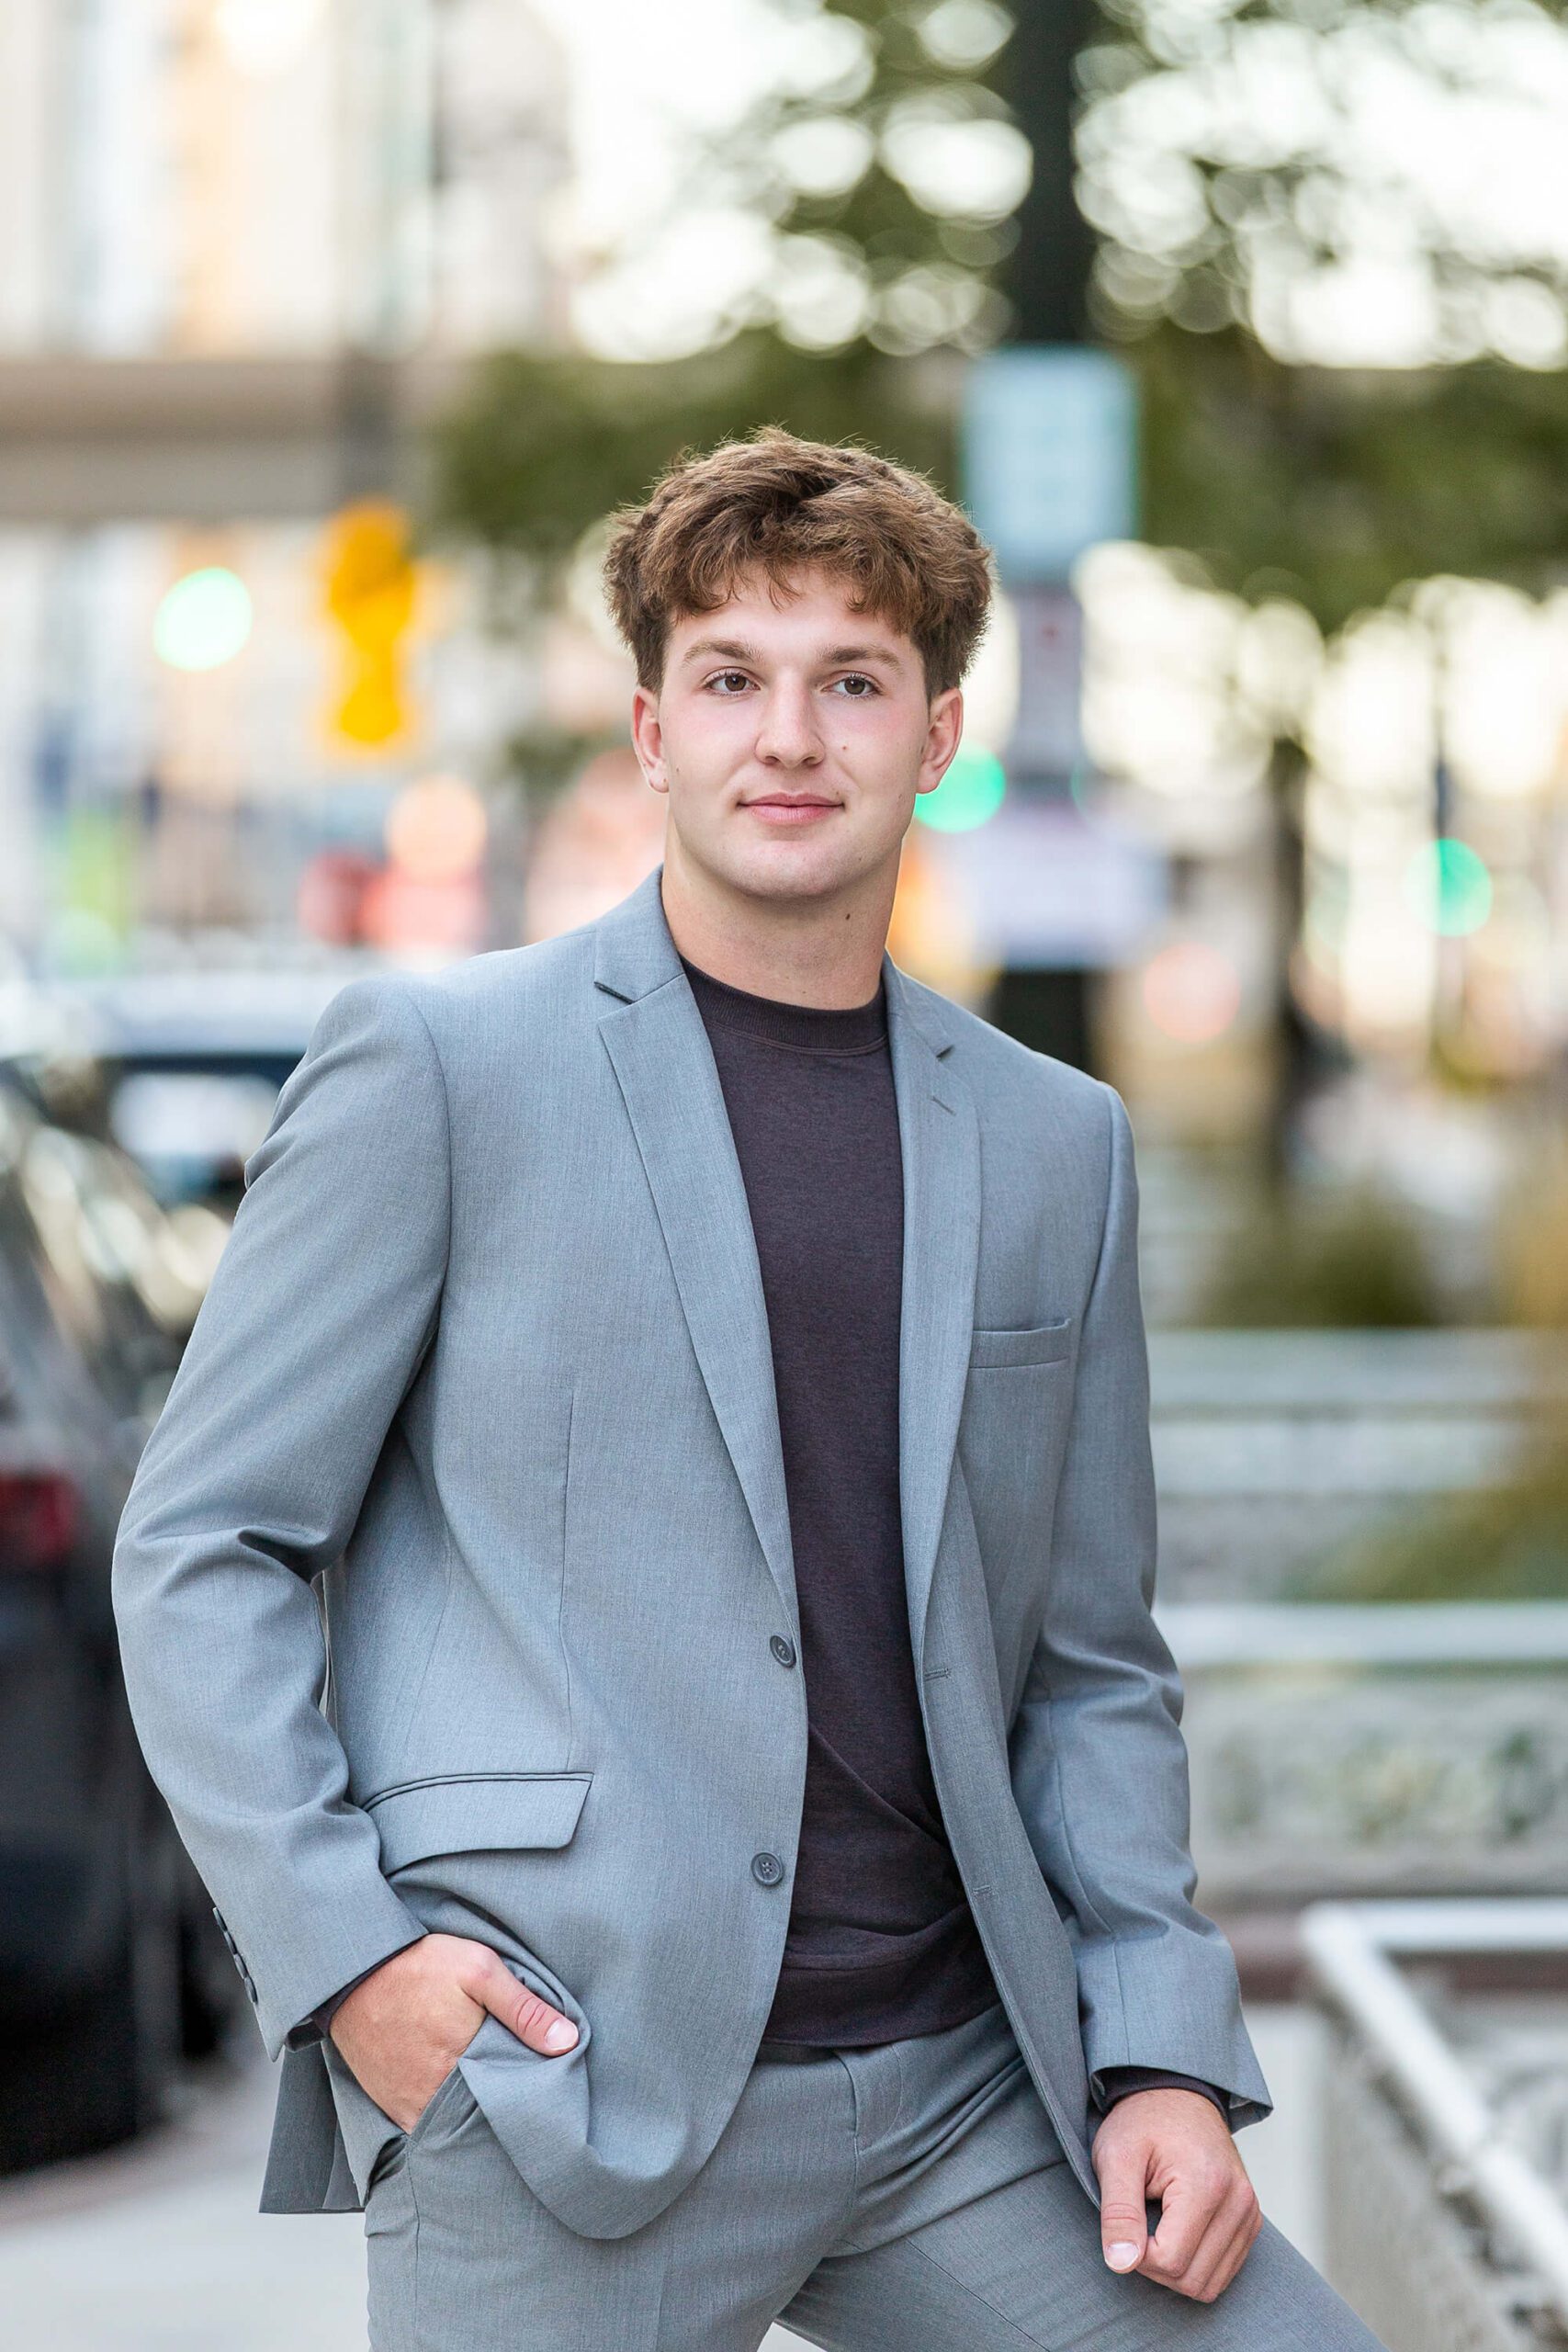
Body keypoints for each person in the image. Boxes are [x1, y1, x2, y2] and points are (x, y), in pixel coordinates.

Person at [112, 429, 1386, 2350]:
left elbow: (1087, 1657)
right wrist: (351, 1957)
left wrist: (1162, 2055)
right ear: (649, 725)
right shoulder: (440, 1068)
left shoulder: (1056, 1141)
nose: (786, 735)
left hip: (969, 2082)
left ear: (934, 729)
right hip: (559, 2075)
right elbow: (203, 1540)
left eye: (849, 681)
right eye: (730, 677)